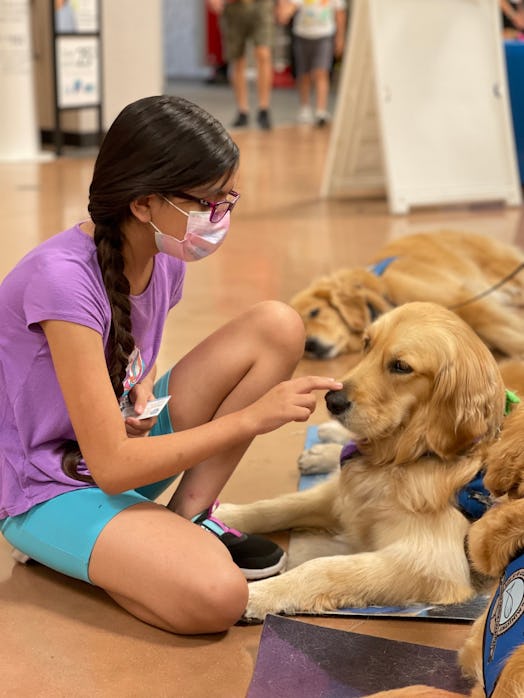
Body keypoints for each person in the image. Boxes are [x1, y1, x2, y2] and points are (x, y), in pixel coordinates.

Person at [0, 94, 341, 635]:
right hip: (48, 485)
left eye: (228, 200)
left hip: (110, 450)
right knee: (217, 597)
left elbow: (134, 361)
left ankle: (186, 520)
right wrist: (254, 418)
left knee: (278, 325)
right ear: (143, 204)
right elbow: (111, 468)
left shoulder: (161, 258)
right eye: (208, 202)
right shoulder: (61, 280)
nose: (219, 217)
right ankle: (98, 548)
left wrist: (135, 393)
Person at [207, 0, 275, 130]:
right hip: (234, 7)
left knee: (263, 53)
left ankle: (264, 108)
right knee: (237, 59)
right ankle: (242, 110)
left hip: (261, 5)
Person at [277, 0, 347, 127]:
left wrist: (340, 37)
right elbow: (290, 8)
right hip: (303, 35)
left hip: (324, 35)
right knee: (304, 74)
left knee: (321, 72)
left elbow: (340, 13)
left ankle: (321, 110)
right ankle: (305, 107)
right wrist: (284, 12)